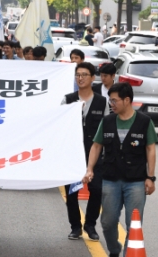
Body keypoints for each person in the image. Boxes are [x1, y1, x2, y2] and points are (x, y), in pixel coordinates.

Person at [82, 82, 158, 257]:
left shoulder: (145, 121)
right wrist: (90, 169)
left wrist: (150, 177)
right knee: (108, 222)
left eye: (115, 101)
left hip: (136, 181)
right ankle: (114, 250)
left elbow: (150, 149)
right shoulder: (107, 121)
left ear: (127, 100)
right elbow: (96, 146)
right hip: (111, 179)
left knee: (133, 223)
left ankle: (127, 253)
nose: (111, 104)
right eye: (110, 100)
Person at [61, 62, 109, 241]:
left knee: (96, 190)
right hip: (73, 155)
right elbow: (60, 124)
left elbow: (106, 127)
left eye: (84, 75)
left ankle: (90, 224)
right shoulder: (68, 99)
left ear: (92, 78)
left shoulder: (101, 101)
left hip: (95, 155)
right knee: (72, 192)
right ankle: (75, 226)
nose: (80, 78)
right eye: (78, 75)